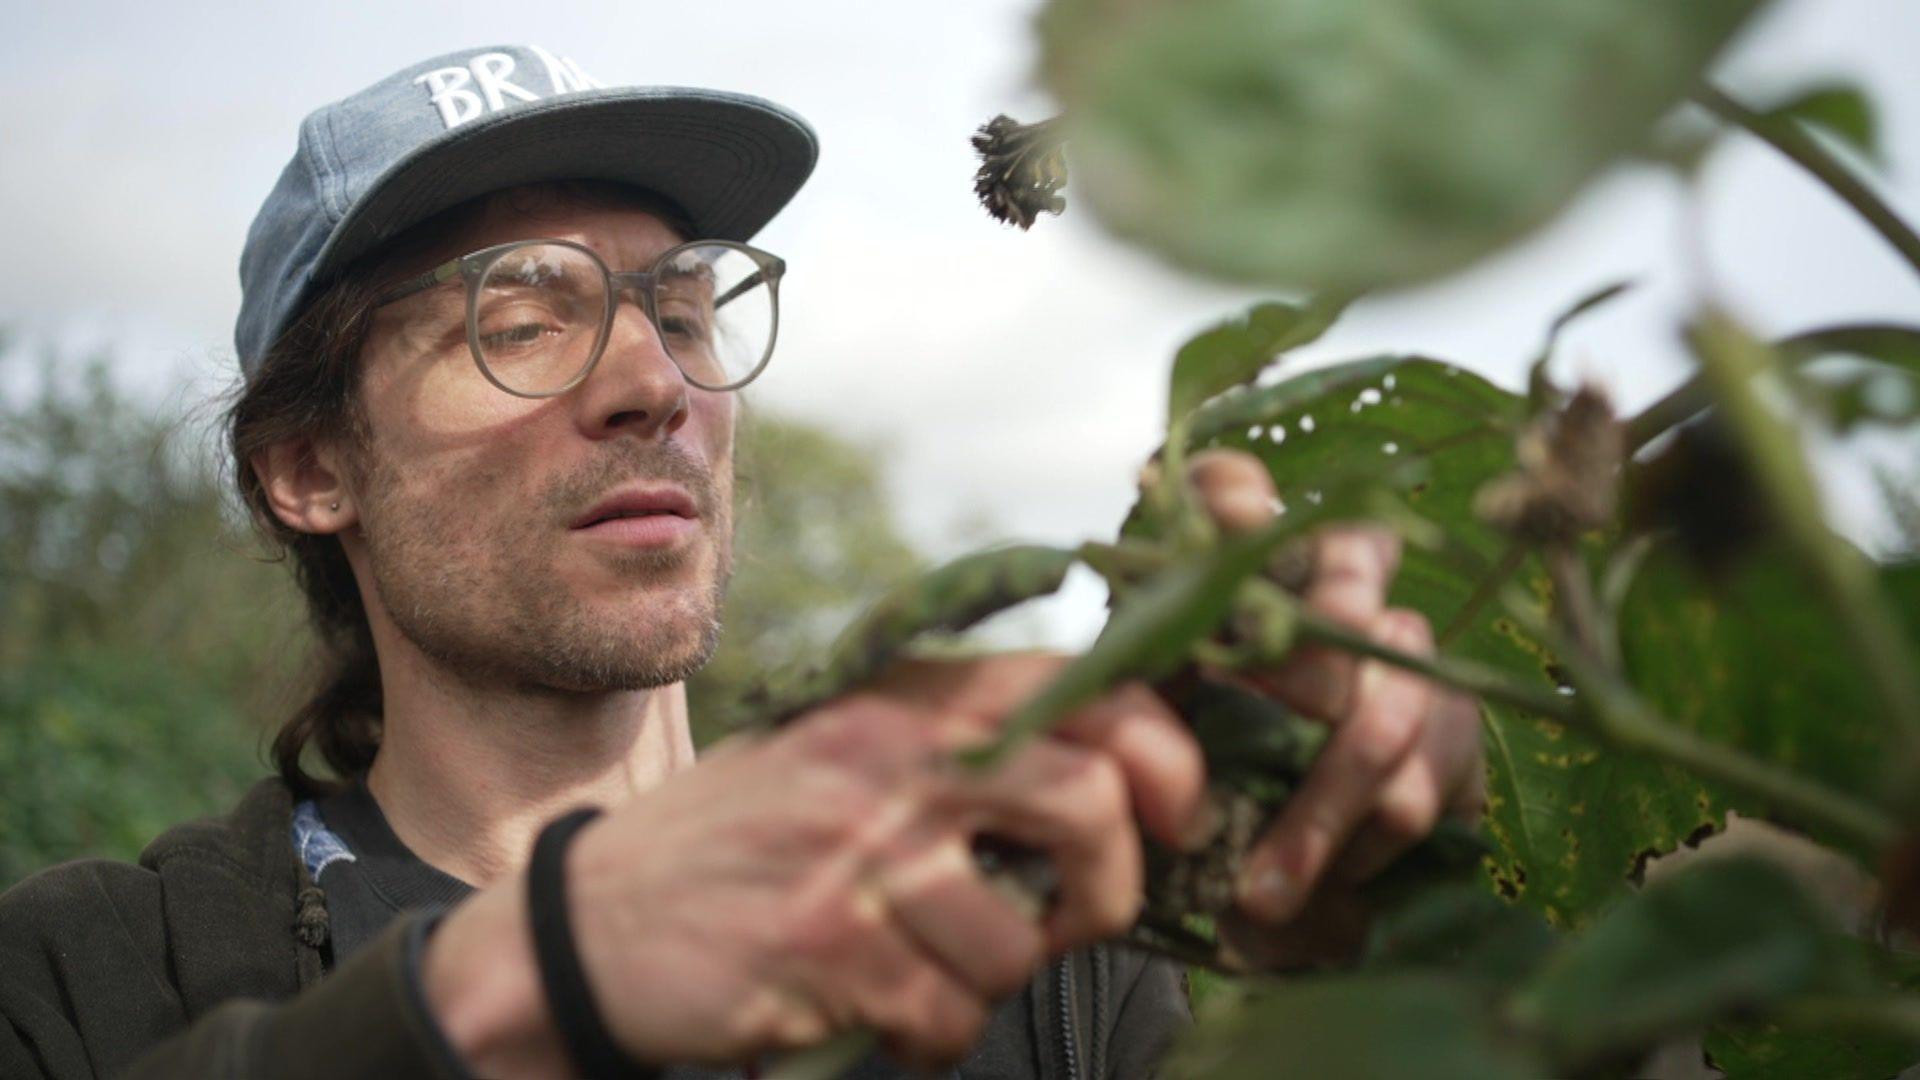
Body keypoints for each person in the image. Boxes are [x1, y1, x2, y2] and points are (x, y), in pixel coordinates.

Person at [0, 44, 1484, 1079]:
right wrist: (554, 971)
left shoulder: (1050, 933)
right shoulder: (95, 977)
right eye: (519, 322)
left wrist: (1426, 877)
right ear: (310, 469)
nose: (653, 382)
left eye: (685, 311)